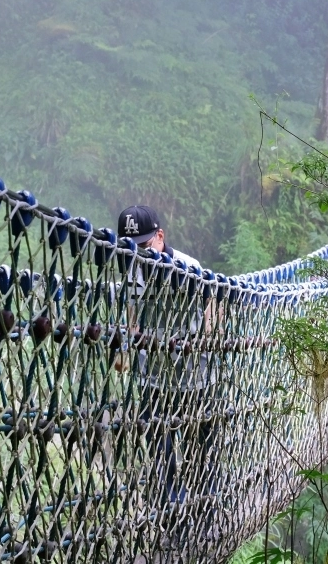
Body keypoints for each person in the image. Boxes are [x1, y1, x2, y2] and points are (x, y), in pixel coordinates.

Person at [116, 205, 218, 516]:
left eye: (145, 246)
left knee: (201, 449)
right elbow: (132, 319)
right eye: (130, 248)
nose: (139, 254)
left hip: (195, 379)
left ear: (160, 237)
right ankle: (170, 513)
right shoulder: (131, 271)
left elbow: (212, 301)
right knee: (162, 452)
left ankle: (207, 508)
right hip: (155, 379)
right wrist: (125, 350)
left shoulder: (188, 267)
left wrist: (205, 336)